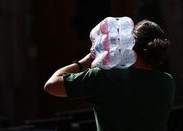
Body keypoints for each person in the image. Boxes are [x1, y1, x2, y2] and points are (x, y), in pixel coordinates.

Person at [44, 19, 175, 131]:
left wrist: (85, 62)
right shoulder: (167, 82)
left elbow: (51, 85)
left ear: (130, 44)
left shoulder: (106, 77)